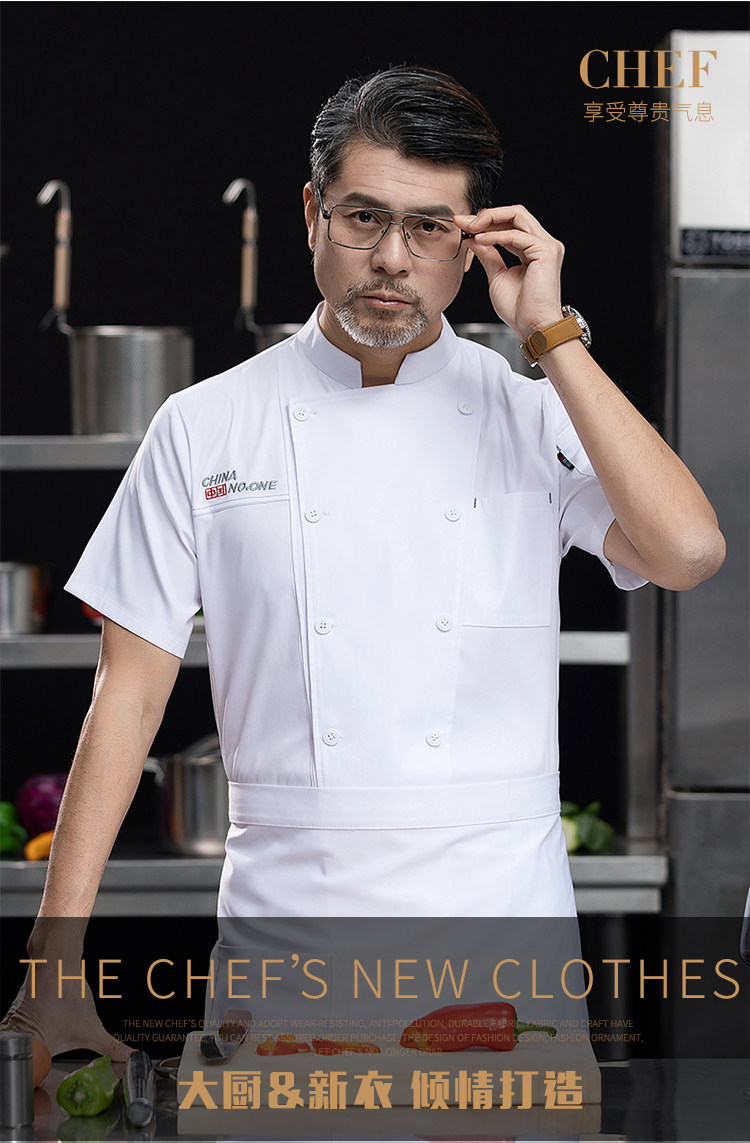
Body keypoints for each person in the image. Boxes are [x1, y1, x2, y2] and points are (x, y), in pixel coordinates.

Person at [2, 66, 725, 1057]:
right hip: (289, 951)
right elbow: (125, 700)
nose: (391, 258)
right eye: (363, 218)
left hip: (501, 950)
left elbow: (688, 550)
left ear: (474, 245)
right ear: (312, 214)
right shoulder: (206, 426)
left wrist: (550, 336)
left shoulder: (533, 414)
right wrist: (53, 967)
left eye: (430, 228)